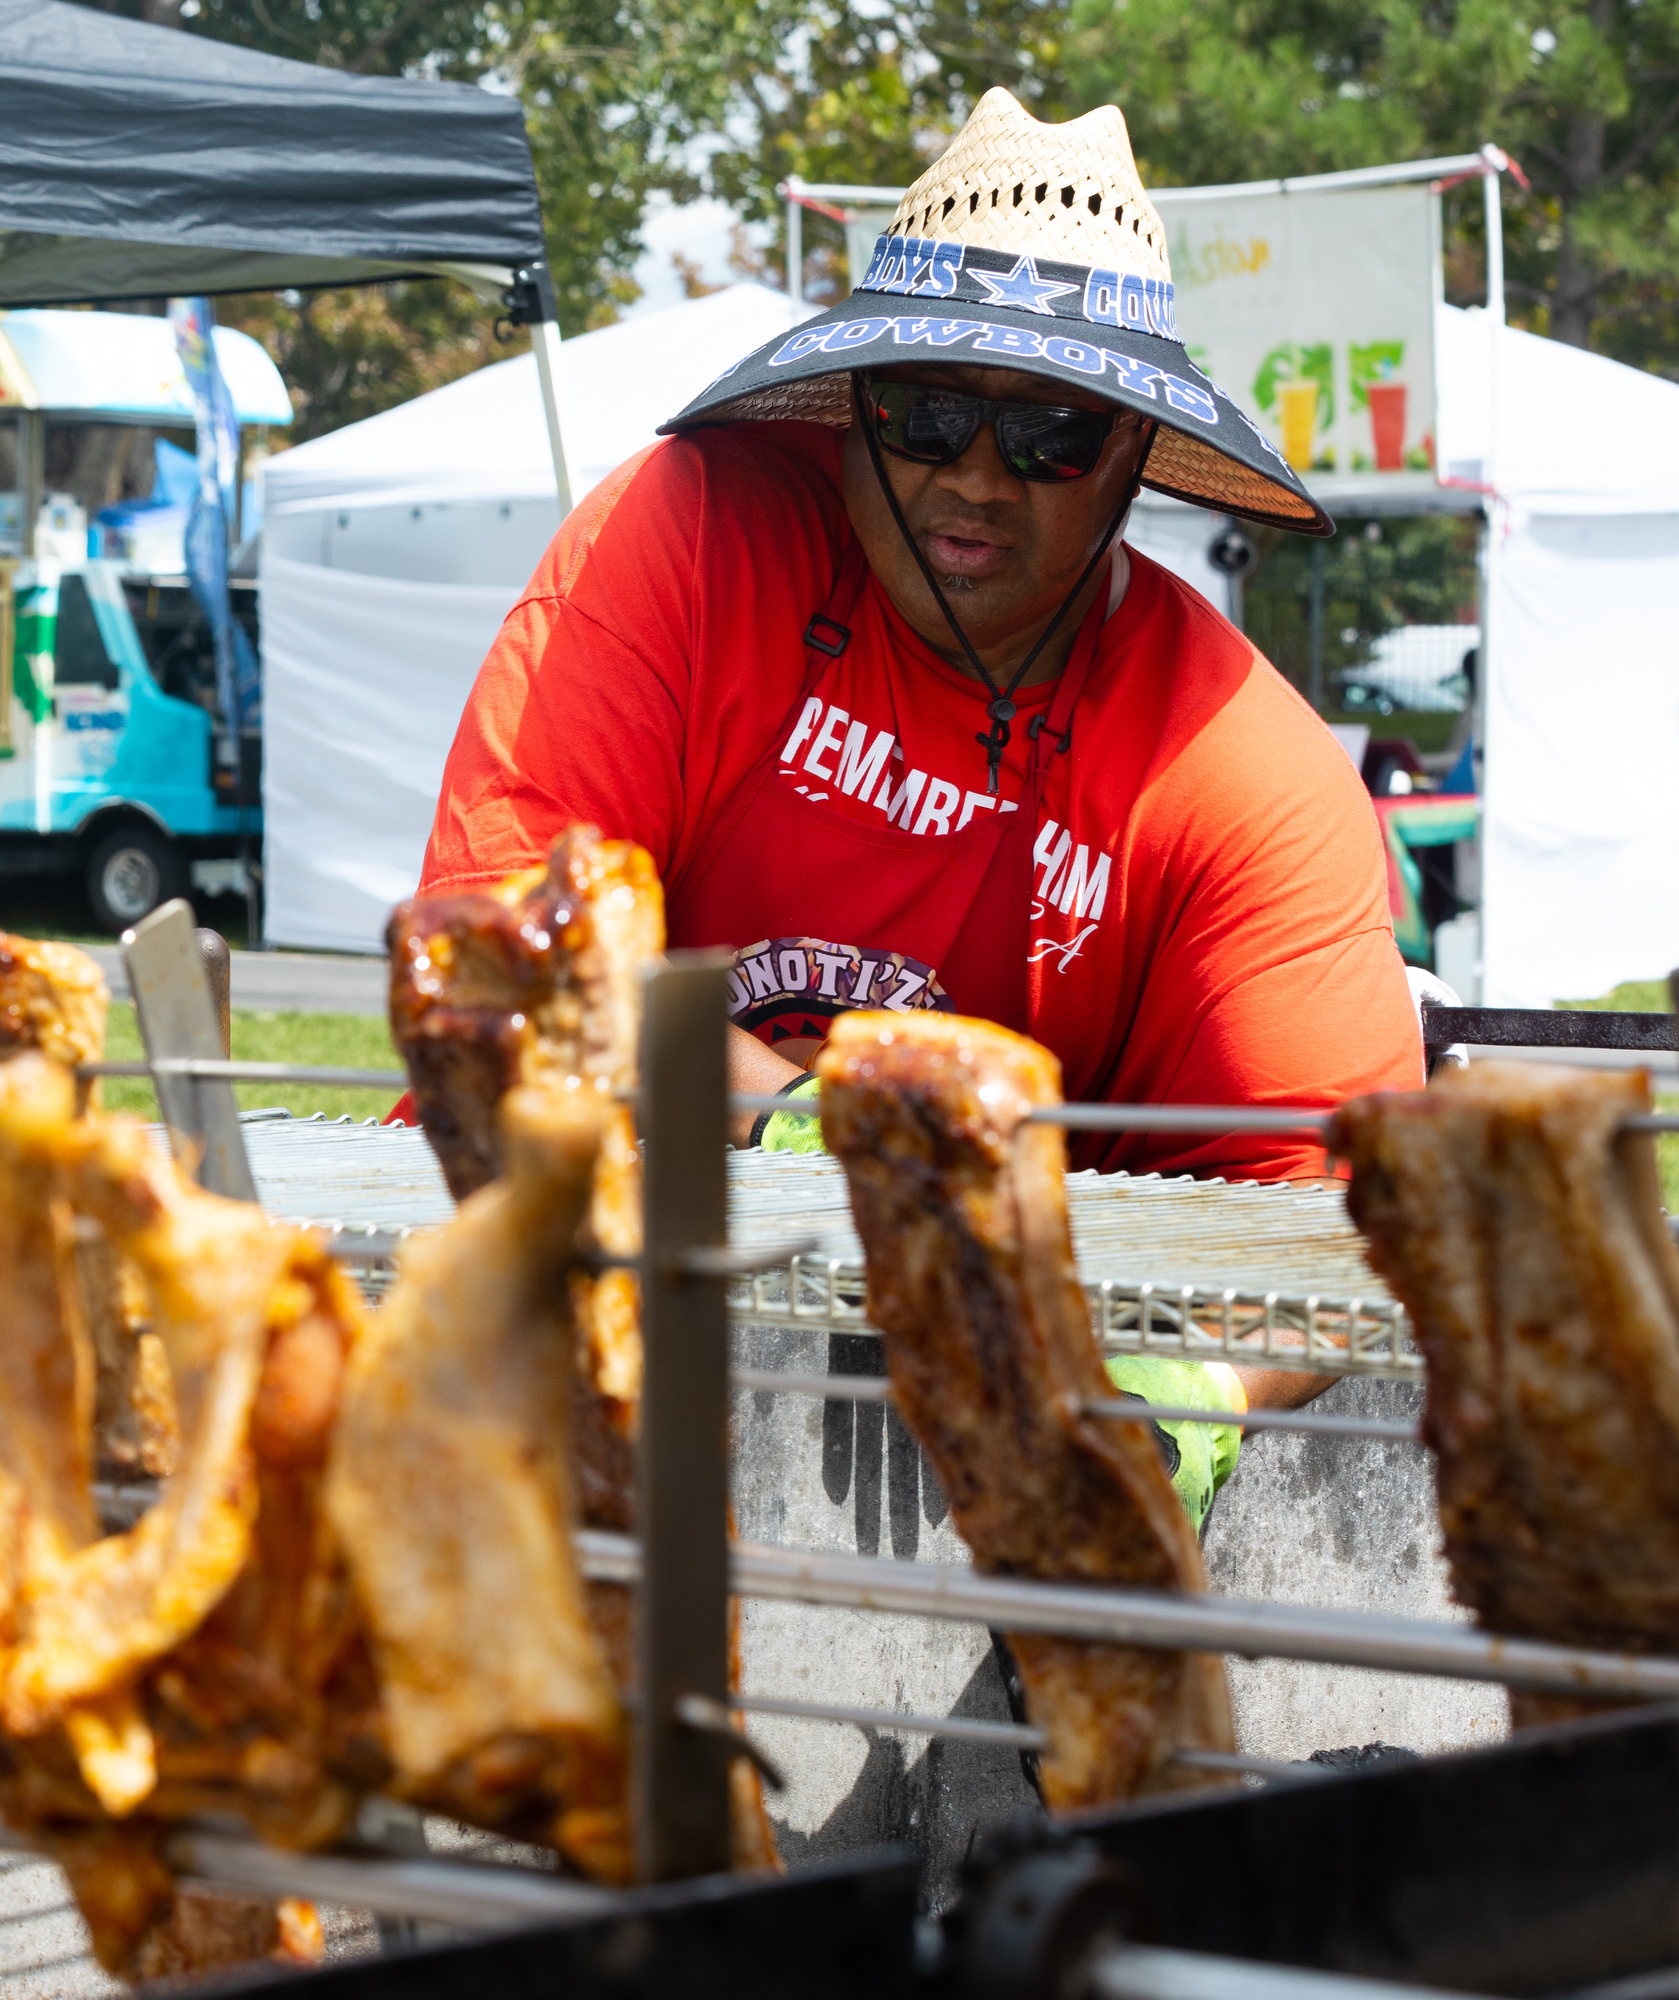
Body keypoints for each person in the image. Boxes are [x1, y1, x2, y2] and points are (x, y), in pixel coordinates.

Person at [422, 91, 1422, 1443]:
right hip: (577, 1287)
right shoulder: (687, 533)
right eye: (928, 415)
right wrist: (807, 1132)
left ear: (1131, 454)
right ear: (856, 406)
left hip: (990, 1375)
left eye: (1052, 434)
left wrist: (1188, 1397)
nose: (979, 478)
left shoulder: (1242, 768)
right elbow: (489, 957)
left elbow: (1326, 1207)